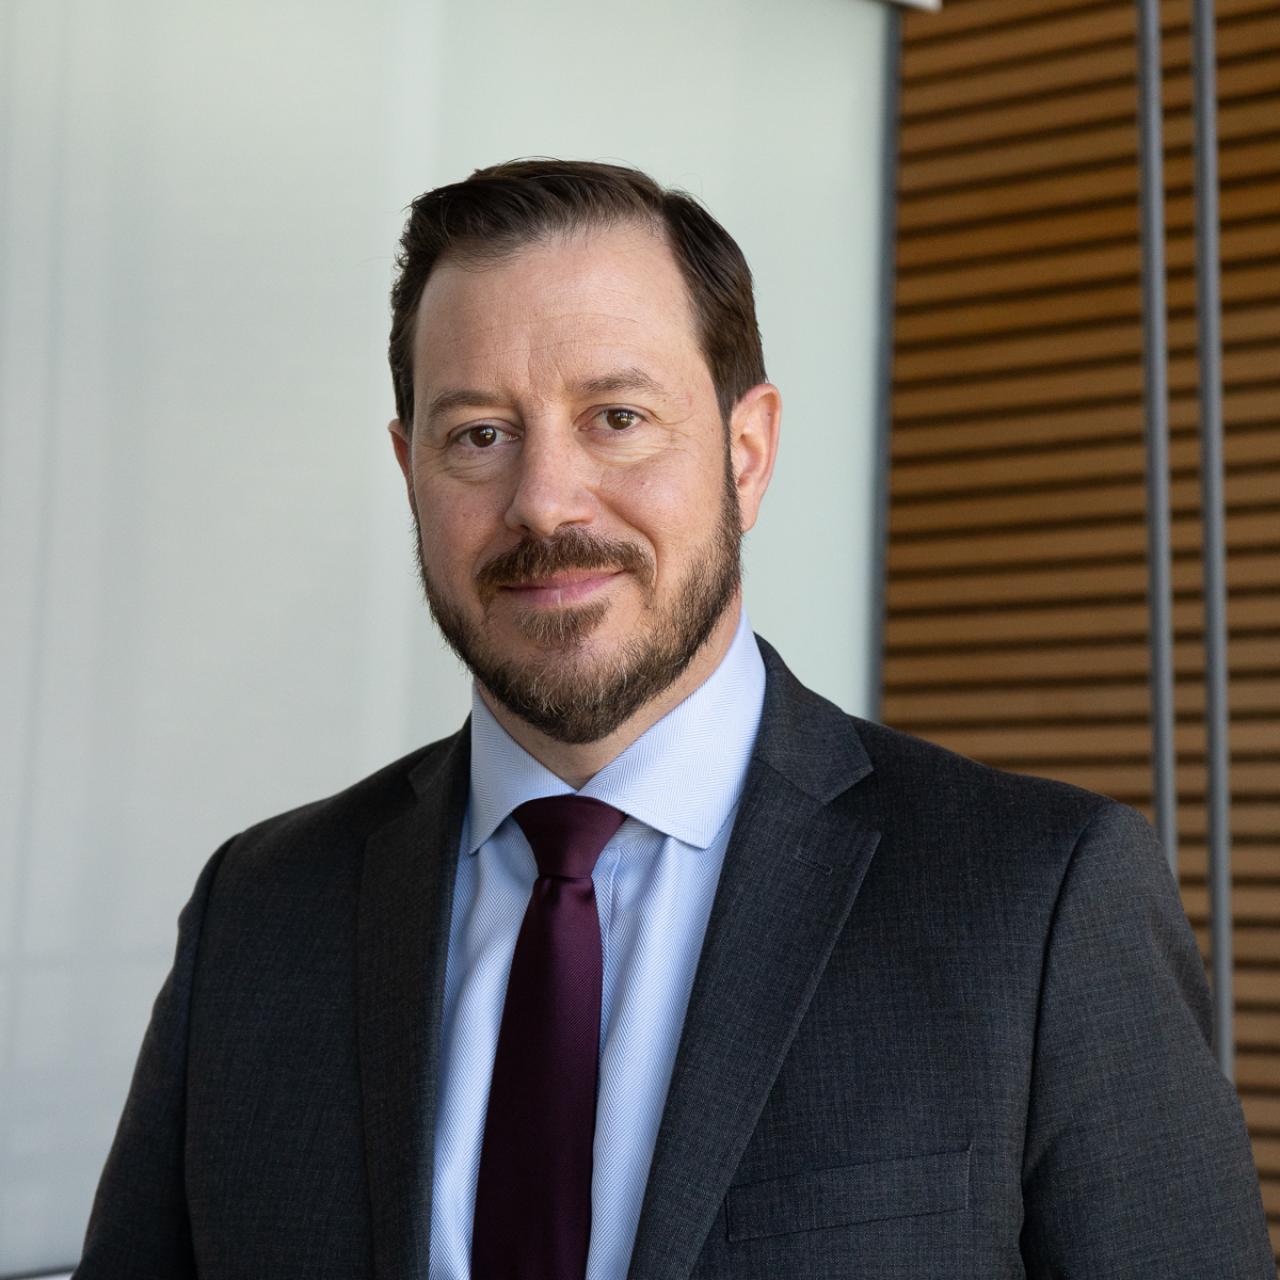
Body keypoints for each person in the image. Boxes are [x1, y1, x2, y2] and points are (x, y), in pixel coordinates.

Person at [74, 159, 1272, 1280]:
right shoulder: (258, 911)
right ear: (409, 471)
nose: (543, 501)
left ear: (745, 454)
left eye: (616, 417)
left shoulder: (1037, 901)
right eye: (478, 434)